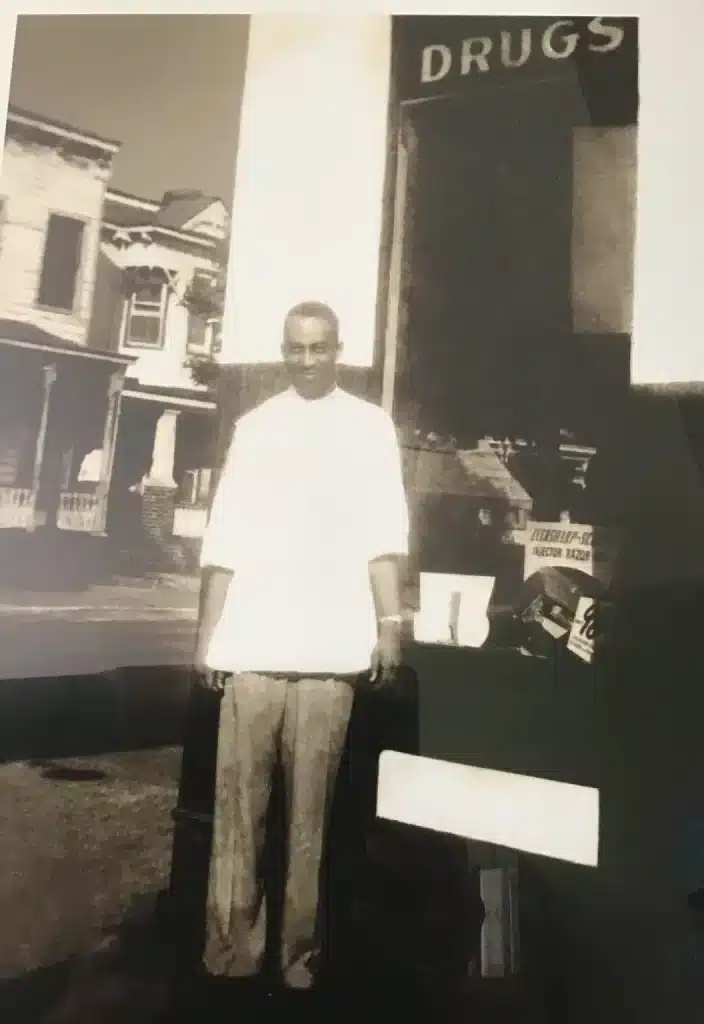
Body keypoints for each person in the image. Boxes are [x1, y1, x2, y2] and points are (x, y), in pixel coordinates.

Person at [194, 300, 410, 993]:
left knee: (311, 822)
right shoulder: (255, 427)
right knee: (239, 816)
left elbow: (383, 537)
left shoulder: (370, 427)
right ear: (283, 351)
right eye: (296, 348)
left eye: (319, 347)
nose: (307, 360)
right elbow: (224, 539)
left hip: (330, 653)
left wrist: (388, 624)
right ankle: (231, 956)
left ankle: (298, 962)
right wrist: (208, 637)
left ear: (338, 350)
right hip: (252, 647)